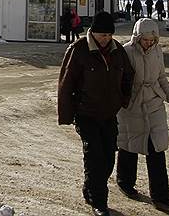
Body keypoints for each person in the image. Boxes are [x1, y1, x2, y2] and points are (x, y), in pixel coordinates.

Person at [58, 12, 134, 216]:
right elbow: (66, 83)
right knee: (95, 158)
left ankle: (90, 187)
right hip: (86, 114)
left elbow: (128, 75)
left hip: (109, 114)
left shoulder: (117, 50)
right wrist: (67, 114)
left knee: (108, 158)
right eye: (102, 35)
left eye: (109, 35)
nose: (106, 39)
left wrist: (123, 99)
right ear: (93, 32)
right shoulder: (79, 49)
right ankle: (99, 203)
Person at [115, 18, 169, 212]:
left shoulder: (157, 51)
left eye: (152, 40)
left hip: (153, 102)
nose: (148, 43)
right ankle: (125, 182)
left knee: (156, 148)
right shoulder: (126, 52)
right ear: (137, 37)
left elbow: (161, 77)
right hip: (132, 106)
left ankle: (161, 197)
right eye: (145, 40)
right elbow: (118, 81)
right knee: (129, 145)